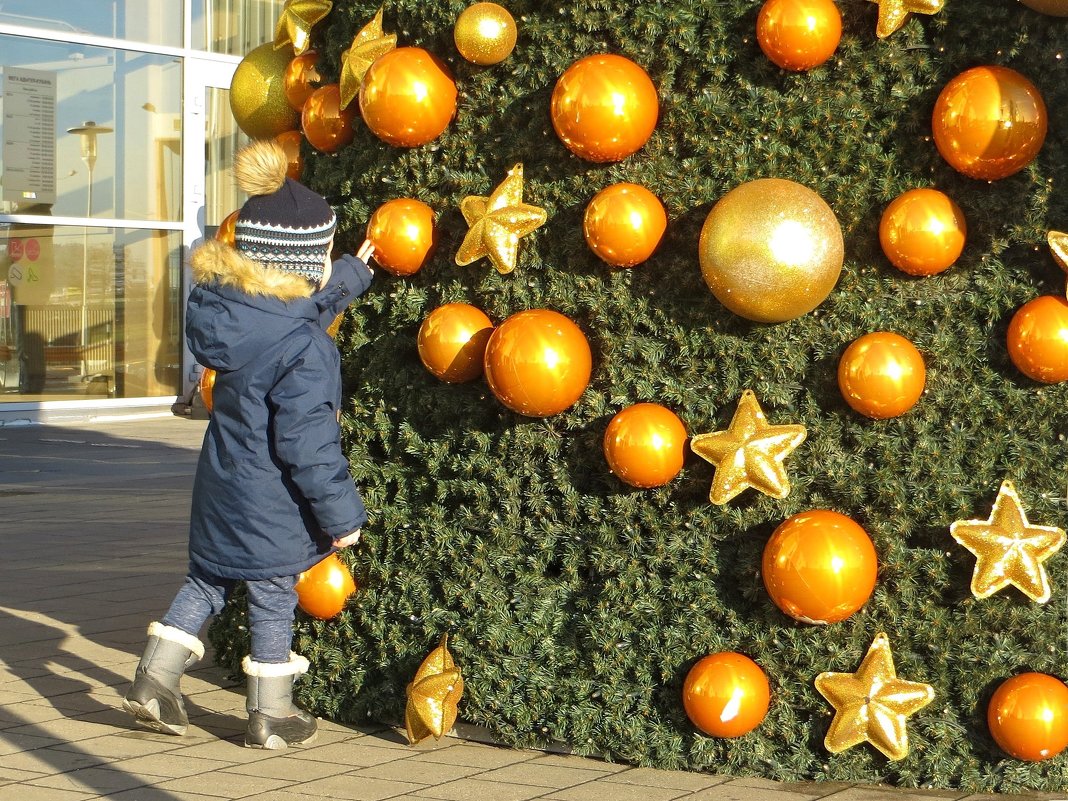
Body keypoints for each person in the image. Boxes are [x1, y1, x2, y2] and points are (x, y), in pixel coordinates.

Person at [122, 139, 375, 750]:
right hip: (271, 501)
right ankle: (272, 715)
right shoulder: (304, 347)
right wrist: (342, 516)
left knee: (206, 580)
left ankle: (154, 681)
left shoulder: (233, 312)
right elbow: (308, 442)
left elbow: (298, 308)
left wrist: (352, 275)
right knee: (271, 593)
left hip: (221, 485)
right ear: (302, 261)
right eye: (324, 252)